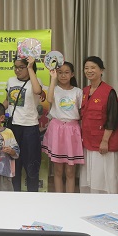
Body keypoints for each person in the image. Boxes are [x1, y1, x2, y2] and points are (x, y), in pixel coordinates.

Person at [79, 56, 118, 194]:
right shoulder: (85, 91)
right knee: (90, 177)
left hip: (103, 143)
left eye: (93, 68)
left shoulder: (109, 91)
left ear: (101, 70)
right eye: (86, 68)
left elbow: (113, 118)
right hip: (88, 141)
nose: (89, 71)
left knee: (103, 178)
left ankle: (107, 203)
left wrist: (105, 141)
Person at [3, 56, 45, 192]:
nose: (17, 70)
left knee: (31, 165)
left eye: (21, 67)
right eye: (15, 67)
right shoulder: (11, 81)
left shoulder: (36, 81)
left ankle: (32, 196)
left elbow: (38, 91)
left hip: (30, 127)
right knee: (14, 164)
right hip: (12, 127)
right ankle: (15, 196)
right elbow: (8, 100)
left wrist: (30, 68)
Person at [42, 62, 84, 193]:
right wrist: (53, 78)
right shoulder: (54, 89)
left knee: (70, 171)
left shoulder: (78, 92)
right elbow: (49, 99)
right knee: (58, 170)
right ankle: (58, 198)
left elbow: (82, 112)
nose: (63, 75)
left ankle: (70, 199)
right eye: (60, 72)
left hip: (72, 130)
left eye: (66, 72)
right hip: (56, 129)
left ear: (72, 74)